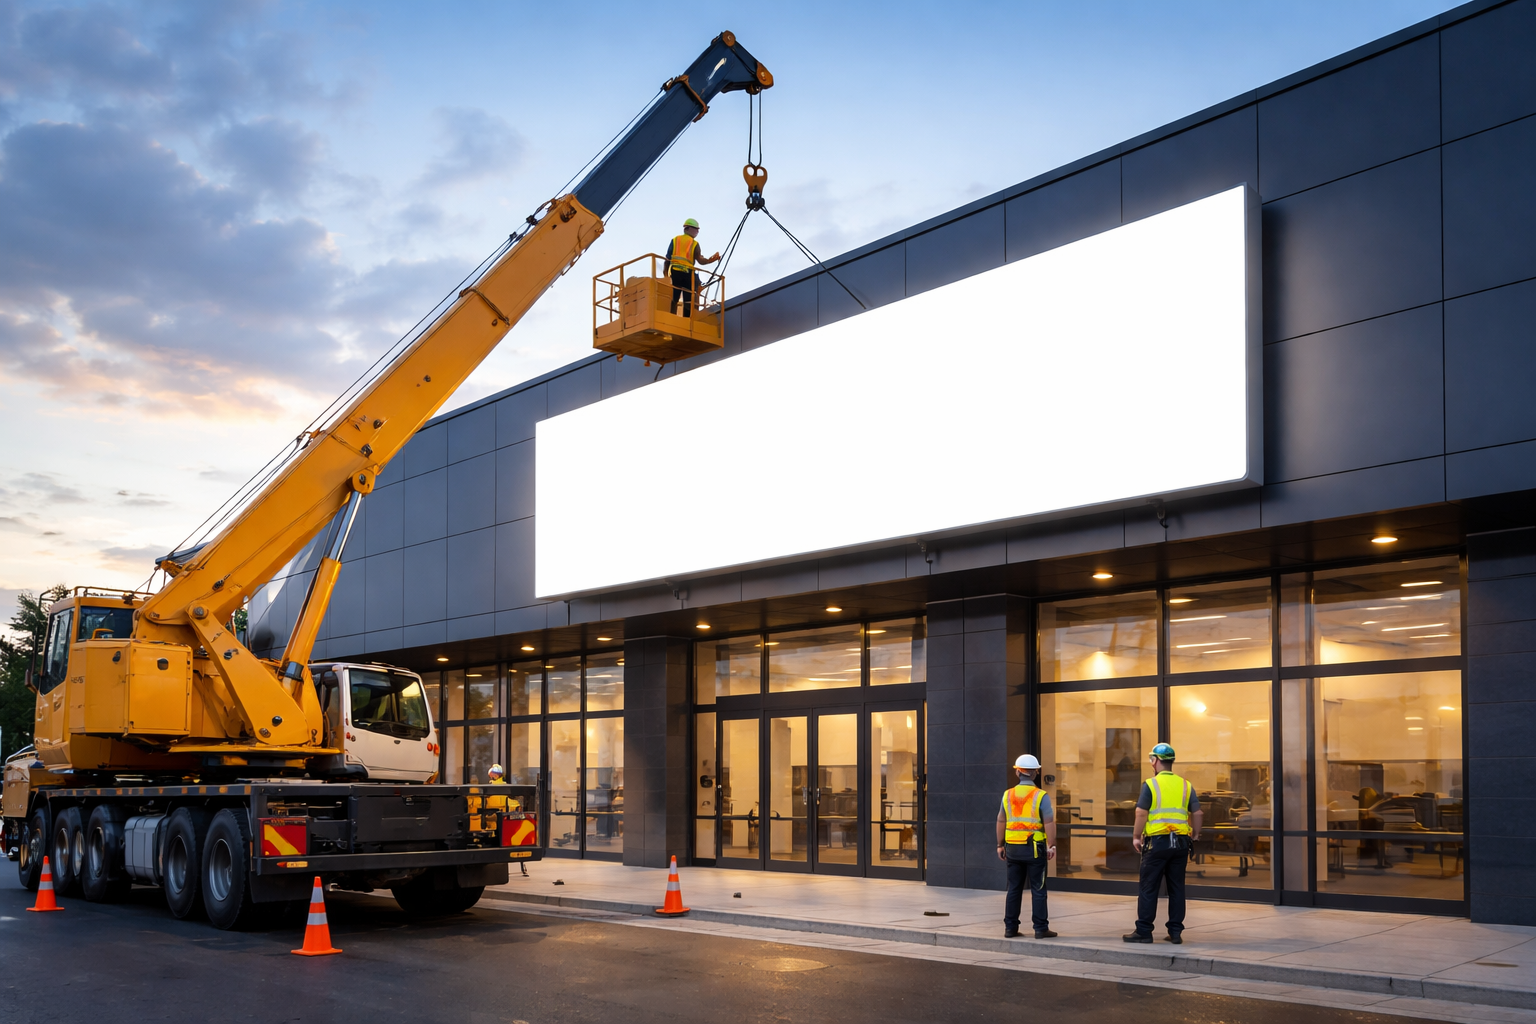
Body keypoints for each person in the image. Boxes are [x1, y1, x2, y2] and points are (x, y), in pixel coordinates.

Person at [1124, 742, 1203, 944]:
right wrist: (1195, 834)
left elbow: (1141, 812)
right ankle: (1175, 932)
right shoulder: (1186, 785)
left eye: (1152, 759)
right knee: (1177, 887)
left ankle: (1144, 931)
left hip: (1157, 844)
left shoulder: (1150, 784)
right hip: (1180, 844)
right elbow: (1198, 812)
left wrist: (1136, 836)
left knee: (1149, 887)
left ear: (1155, 761)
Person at [995, 754, 1058, 939]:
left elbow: (1000, 820)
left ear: (1017, 772)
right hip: (1035, 849)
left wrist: (999, 845)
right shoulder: (1041, 795)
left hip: (1013, 849)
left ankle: (1010, 928)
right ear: (1036, 773)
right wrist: (1051, 845)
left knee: (1014, 888)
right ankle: (1040, 928)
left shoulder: (1007, 795)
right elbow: (1049, 822)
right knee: (1038, 888)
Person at [667, 218, 721, 317]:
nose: (697, 232)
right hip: (687, 273)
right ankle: (687, 319)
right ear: (689, 228)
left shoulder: (675, 240)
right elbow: (700, 260)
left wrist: (665, 272)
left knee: (674, 296)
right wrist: (710, 260)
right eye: (696, 229)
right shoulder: (694, 243)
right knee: (688, 299)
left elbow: (668, 257)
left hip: (675, 272)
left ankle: (672, 315)